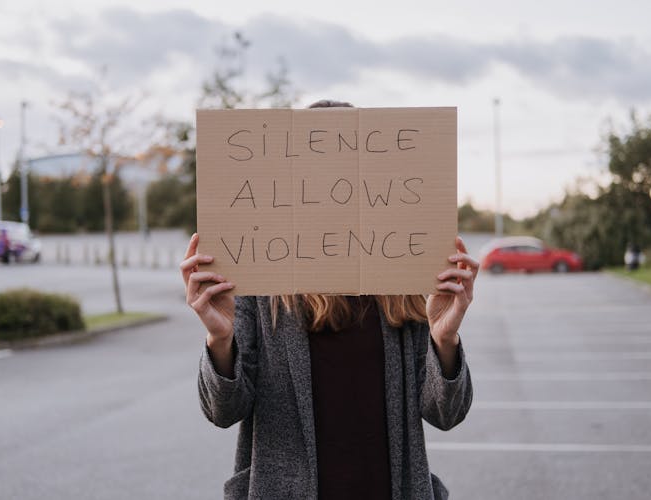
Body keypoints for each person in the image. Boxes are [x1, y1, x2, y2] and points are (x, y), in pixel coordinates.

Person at [183, 101, 477, 500]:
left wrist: (445, 341)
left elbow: (445, 415)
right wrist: (219, 342)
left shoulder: (403, 284)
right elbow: (222, 412)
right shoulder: (260, 287)